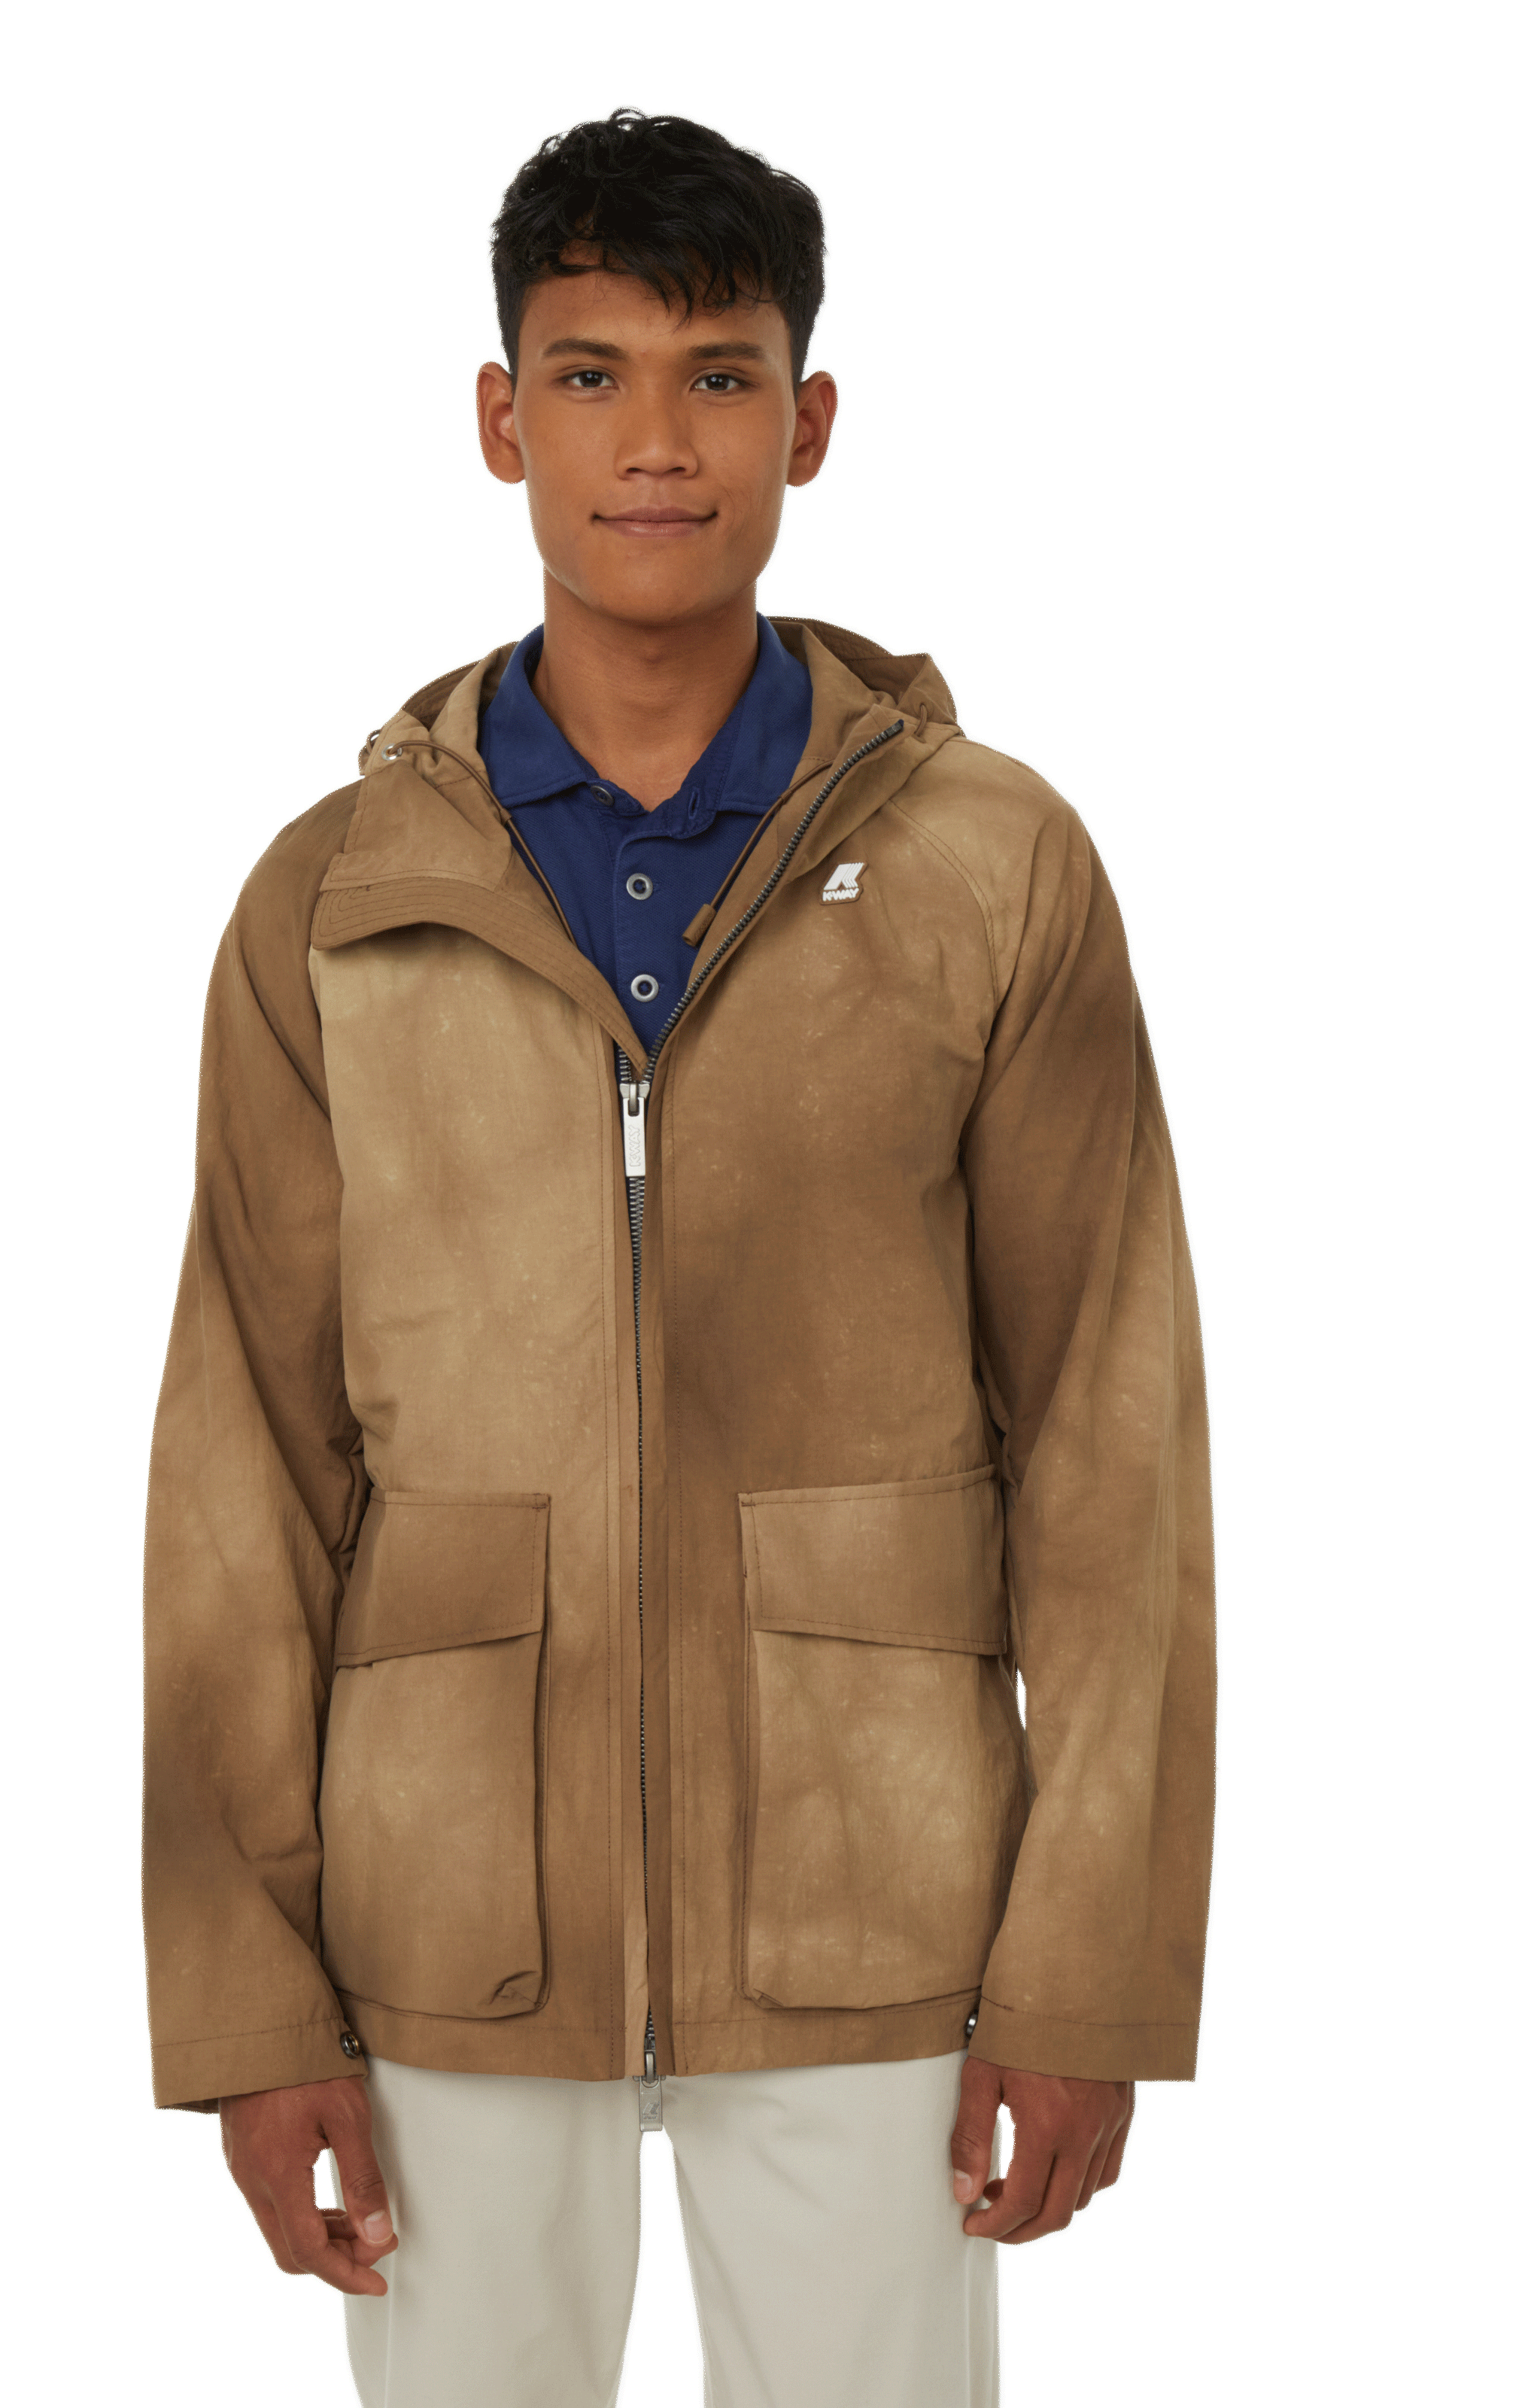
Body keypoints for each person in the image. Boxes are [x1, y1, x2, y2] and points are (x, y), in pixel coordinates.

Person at [142, 106, 1216, 2408]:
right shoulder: (334, 903)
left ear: (808, 423)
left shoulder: (992, 872)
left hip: (880, 1893)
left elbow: (1114, 1445)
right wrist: (249, 2000)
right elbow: (244, 1471)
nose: (657, 441)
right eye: (593, 373)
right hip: (444, 1913)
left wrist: (1087, 1972)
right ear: (499, 417)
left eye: (721, 376)